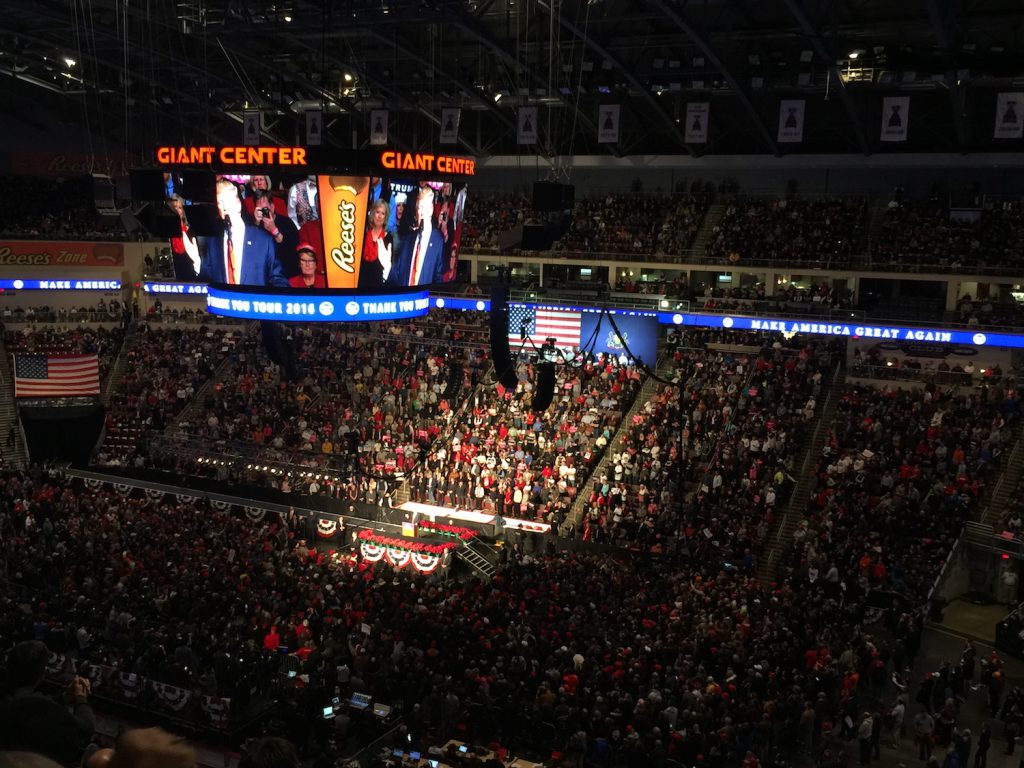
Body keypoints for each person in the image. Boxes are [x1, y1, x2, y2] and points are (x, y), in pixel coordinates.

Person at [183, 180, 288, 287]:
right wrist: (198, 263)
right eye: (220, 202)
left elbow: (279, 281)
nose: (224, 207)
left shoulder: (263, 241)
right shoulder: (213, 243)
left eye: (227, 201)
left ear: (238, 204)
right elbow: (208, 283)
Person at [382, 186, 444, 286]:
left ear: (431, 210)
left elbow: (439, 278)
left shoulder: (438, 241)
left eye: (425, 207)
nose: (422, 212)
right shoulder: (407, 240)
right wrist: (387, 265)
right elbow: (396, 279)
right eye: (420, 208)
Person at [359, 199, 393, 289]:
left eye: (383, 213)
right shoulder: (363, 236)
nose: (380, 216)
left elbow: (388, 267)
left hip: (379, 286)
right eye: (377, 212)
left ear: (385, 217)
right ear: (373, 213)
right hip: (362, 284)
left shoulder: (388, 238)